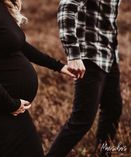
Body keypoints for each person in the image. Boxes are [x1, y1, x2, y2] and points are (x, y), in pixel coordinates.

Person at [0, 0, 74, 157]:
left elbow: (22, 46)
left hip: (11, 112)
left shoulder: (0, 6)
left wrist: (59, 66)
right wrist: (10, 104)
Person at [46, 0, 123, 156]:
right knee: (82, 119)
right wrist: (73, 55)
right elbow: (66, 8)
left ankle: (104, 154)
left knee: (113, 109)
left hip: (109, 57)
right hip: (90, 56)